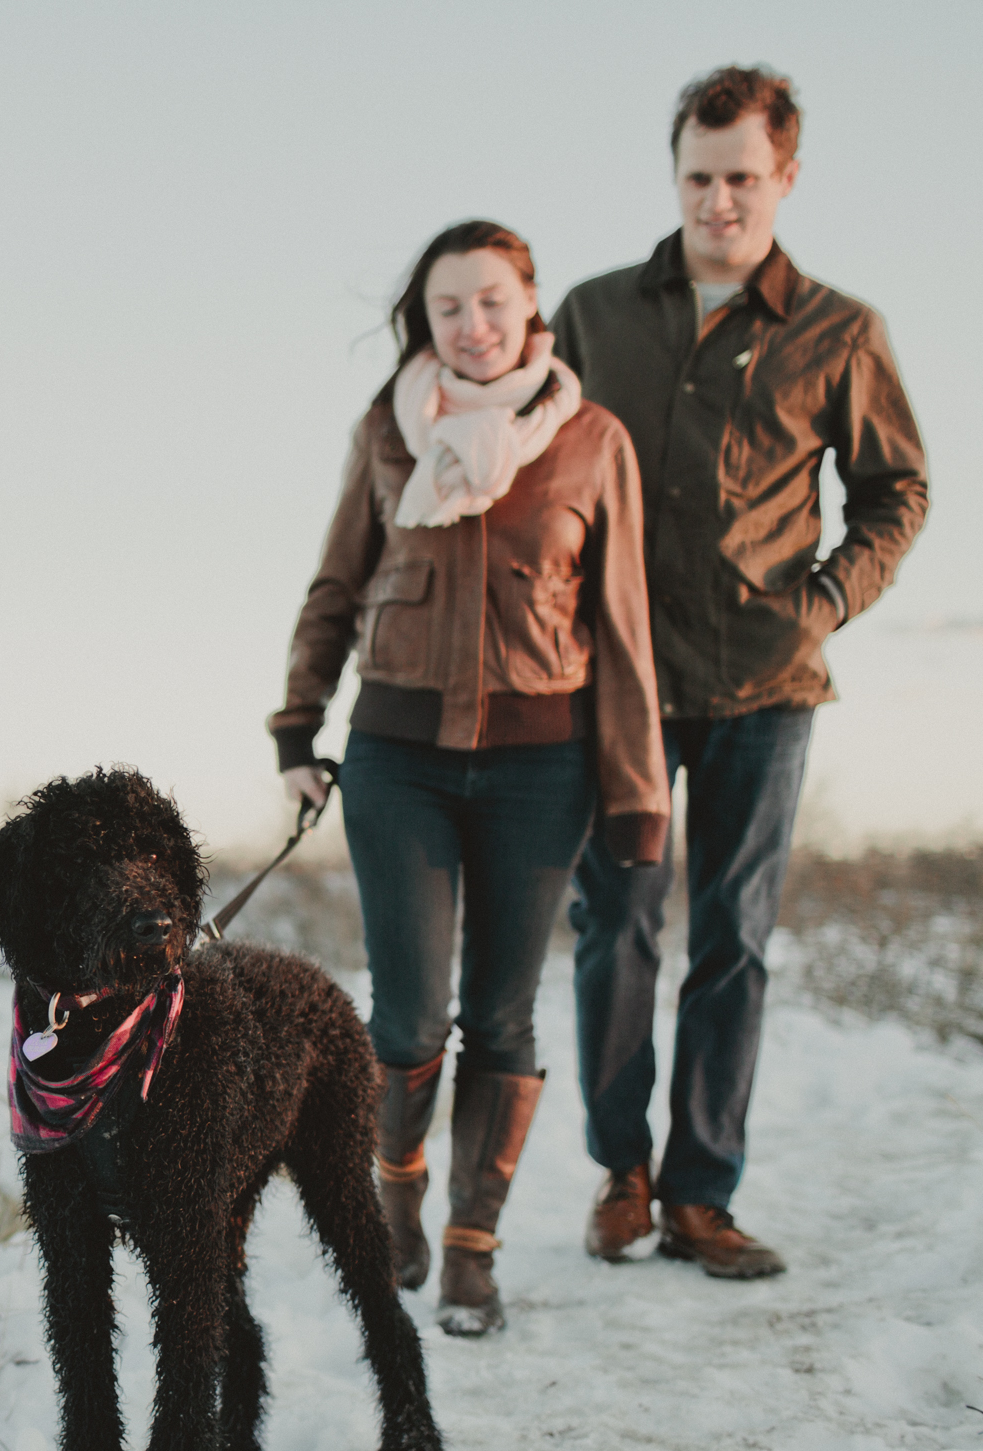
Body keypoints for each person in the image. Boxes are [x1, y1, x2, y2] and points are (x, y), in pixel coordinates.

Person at [555, 66, 929, 1278]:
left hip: (765, 687)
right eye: (699, 177)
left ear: (786, 177)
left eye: (742, 178)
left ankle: (701, 1196)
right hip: (613, 677)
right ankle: (623, 1170)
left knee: (733, 937)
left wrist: (823, 599)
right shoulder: (595, 311)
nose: (719, 201)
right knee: (614, 922)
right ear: (675, 176)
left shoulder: (839, 331)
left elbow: (894, 492)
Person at [270, 220, 669, 1337]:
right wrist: (297, 726)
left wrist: (637, 791)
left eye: (490, 300)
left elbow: (623, 627)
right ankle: (396, 1205)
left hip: (545, 770)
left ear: (528, 305)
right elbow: (334, 584)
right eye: (448, 306)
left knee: (502, 1014)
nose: (471, 324)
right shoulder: (388, 428)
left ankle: (471, 1248)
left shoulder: (590, 440)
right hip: (398, 761)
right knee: (405, 1013)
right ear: (425, 320)